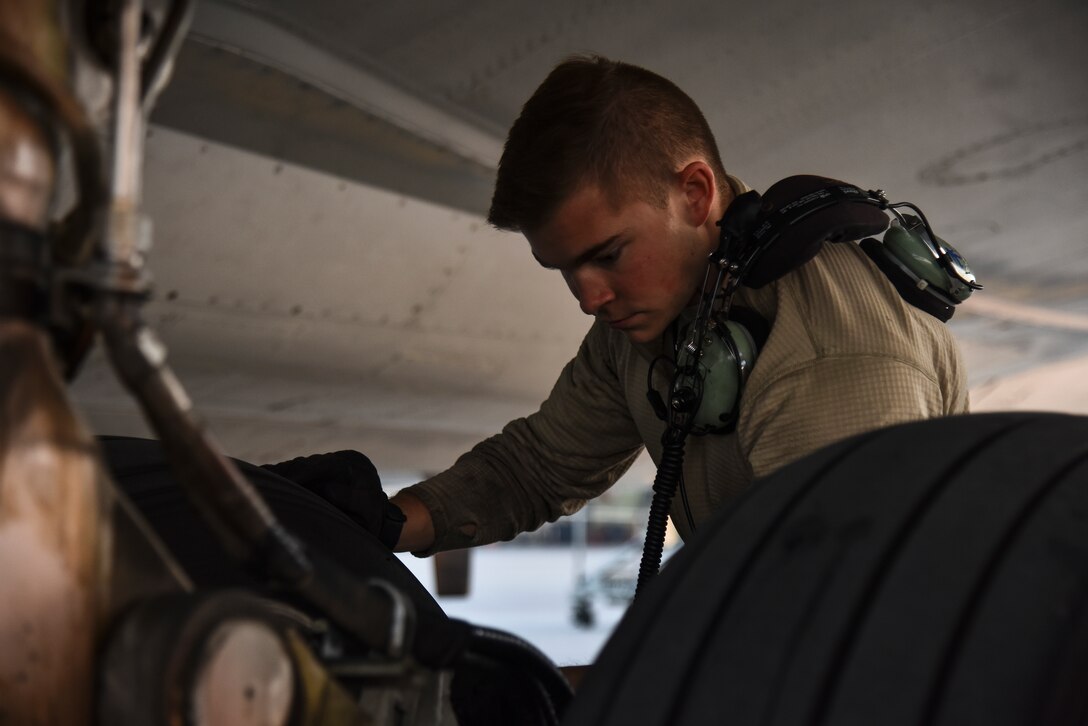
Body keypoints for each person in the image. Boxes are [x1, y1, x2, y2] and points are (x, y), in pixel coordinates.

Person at [271, 54, 968, 558]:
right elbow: (538, 466)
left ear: (695, 195)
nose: (588, 298)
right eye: (565, 269)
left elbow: (852, 625)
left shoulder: (823, 360)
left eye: (607, 254)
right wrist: (388, 521)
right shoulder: (657, 311)